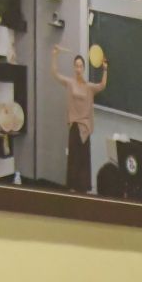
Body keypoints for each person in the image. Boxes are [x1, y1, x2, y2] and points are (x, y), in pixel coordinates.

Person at [49, 46, 107, 193]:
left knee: (84, 159)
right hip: (74, 127)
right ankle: (72, 188)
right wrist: (55, 56)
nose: (78, 69)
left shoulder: (89, 87)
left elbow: (102, 85)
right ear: (74, 68)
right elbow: (55, 74)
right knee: (73, 159)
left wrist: (105, 69)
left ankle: (83, 189)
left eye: (80, 66)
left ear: (84, 68)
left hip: (85, 128)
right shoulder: (70, 83)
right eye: (76, 66)